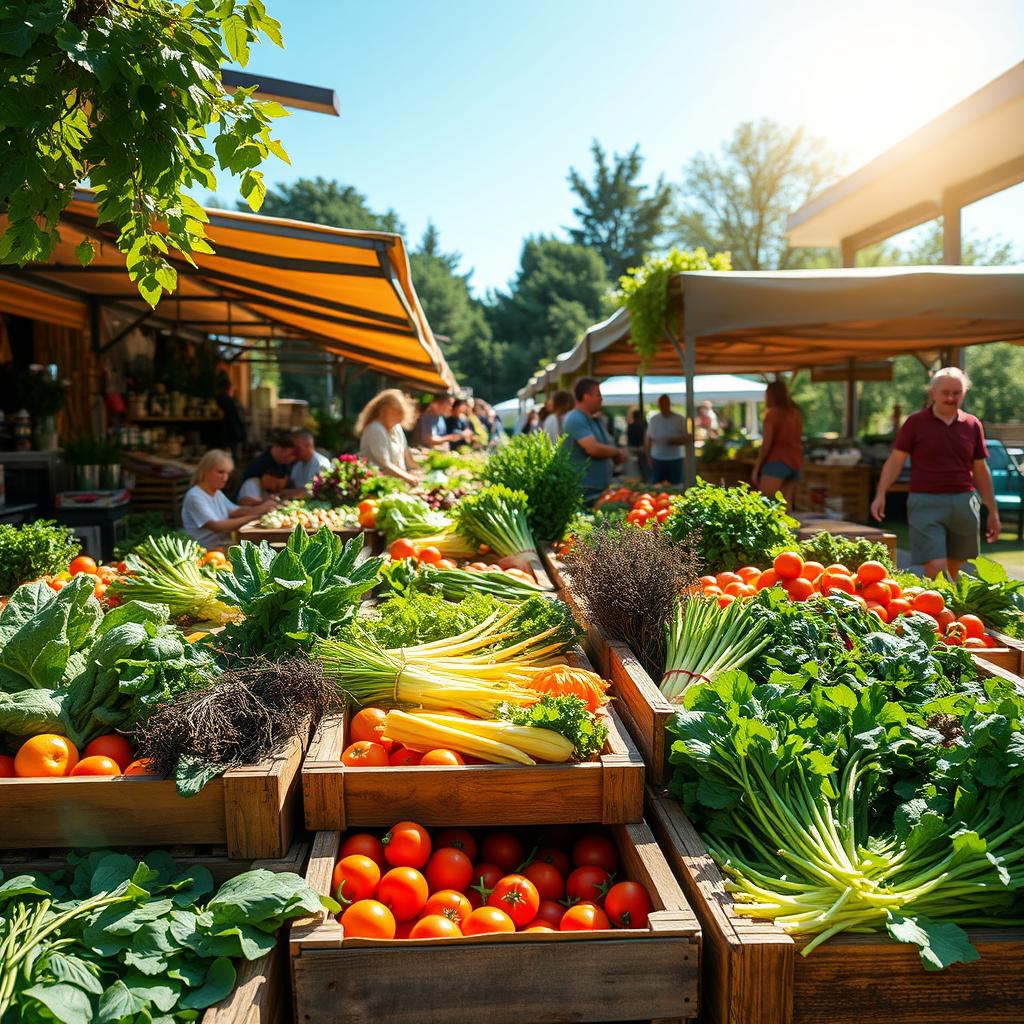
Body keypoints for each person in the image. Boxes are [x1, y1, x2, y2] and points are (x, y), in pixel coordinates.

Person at [871, 367, 1000, 579]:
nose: (951, 398)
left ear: (964, 393)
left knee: (954, 568)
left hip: (963, 502)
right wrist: (881, 493)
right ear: (933, 393)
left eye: (956, 393)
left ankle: (946, 610)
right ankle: (938, 605)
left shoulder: (972, 424)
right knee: (935, 566)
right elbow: (895, 460)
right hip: (925, 501)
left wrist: (993, 510)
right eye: (945, 393)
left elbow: (980, 469)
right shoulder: (915, 423)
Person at [182, 449, 278, 549]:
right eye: (220, 472)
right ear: (205, 470)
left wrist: (263, 506)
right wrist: (256, 516)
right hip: (207, 550)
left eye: (227, 473)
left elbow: (235, 511)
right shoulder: (195, 495)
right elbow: (217, 526)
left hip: (222, 545)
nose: (225, 478)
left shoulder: (217, 492)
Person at [563, 377, 625, 504]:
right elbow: (593, 449)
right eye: (598, 395)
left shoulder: (594, 419)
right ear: (586, 397)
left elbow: (607, 444)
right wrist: (617, 452)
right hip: (585, 490)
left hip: (598, 489)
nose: (601, 399)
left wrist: (614, 453)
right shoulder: (575, 418)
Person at [751, 379, 803, 508]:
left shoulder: (772, 414)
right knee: (786, 505)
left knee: (764, 503)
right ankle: (790, 529)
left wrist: (757, 467)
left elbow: (766, 444)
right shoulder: (795, 413)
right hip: (795, 460)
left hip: (778, 460)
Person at [358, 389, 422, 485]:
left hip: (397, 485)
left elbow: (407, 455)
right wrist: (410, 478)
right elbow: (385, 466)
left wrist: (420, 468)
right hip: (379, 486)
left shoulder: (396, 427)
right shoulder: (375, 429)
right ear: (384, 410)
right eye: (397, 412)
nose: (400, 417)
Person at [237, 431, 296, 504]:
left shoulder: (284, 464)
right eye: (290, 454)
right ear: (279, 448)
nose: (292, 458)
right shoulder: (257, 467)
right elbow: (246, 499)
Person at [644, 394, 690, 485]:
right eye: (661, 404)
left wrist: (671, 441)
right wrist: (648, 456)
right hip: (657, 458)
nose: (663, 406)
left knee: (676, 485)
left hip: (675, 458)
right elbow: (648, 439)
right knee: (657, 485)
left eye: (665, 404)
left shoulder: (680, 419)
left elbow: (687, 438)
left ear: (669, 404)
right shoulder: (653, 419)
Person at [215, 380, 247, 461]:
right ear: (229, 389)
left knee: (228, 451)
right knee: (231, 451)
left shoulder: (222, 399)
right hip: (230, 428)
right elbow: (237, 416)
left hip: (227, 428)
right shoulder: (229, 400)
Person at [626, 408, 649, 481]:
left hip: (640, 450)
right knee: (637, 471)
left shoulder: (644, 425)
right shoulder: (633, 426)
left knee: (643, 470)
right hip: (636, 450)